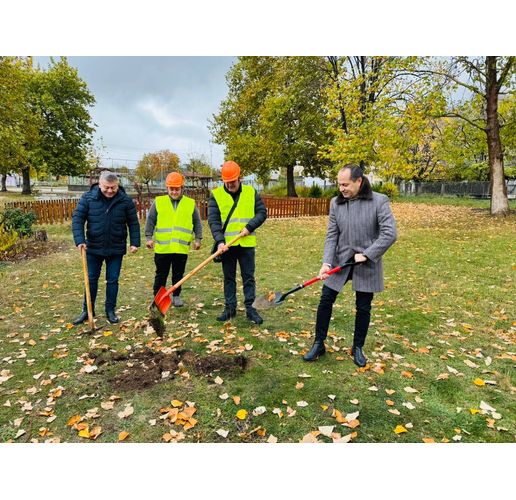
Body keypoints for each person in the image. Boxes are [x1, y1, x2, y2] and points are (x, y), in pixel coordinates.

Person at [303, 164, 397, 367]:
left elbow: (389, 234)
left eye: (345, 184)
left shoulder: (379, 201)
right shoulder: (336, 204)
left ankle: (358, 347)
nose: (342, 188)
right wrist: (326, 262)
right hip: (341, 260)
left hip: (367, 262)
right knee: (325, 300)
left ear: (359, 181)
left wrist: (368, 254)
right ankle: (319, 343)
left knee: (363, 307)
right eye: (339, 184)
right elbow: (332, 235)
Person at [72, 171, 141, 325]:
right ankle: (87, 310)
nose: (110, 191)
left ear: (117, 185)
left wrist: (134, 242)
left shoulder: (125, 200)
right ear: (100, 184)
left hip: (116, 247)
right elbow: (77, 219)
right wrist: (79, 240)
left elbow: (133, 223)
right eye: (106, 187)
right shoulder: (88, 198)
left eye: (113, 188)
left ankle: (110, 310)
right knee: (91, 279)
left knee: (112, 280)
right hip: (93, 247)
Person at [208, 160, 267, 324]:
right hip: (227, 246)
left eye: (233, 182)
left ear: (239, 178)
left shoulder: (250, 192)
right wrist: (220, 241)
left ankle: (251, 309)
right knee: (229, 278)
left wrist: (250, 227)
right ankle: (230, 309)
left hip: (246, 244)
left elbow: (262, 213)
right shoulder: (216, 195)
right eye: (227, 182)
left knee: (248, 277)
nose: (230, 185)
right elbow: (213, 221)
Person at [145, 171, 202, 306]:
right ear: (167, 188)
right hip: (163, 248)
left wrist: (198, 239)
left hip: (181, 248)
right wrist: (148, 237)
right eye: (172, 189)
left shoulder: (190, 203)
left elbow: (197, 223)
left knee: (178, 274)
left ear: (182, 188)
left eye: (177, 189)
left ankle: (176, 296)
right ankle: (158, 298)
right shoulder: (159, 202)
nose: (174, 192)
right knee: (161, 275)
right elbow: (150, 220)